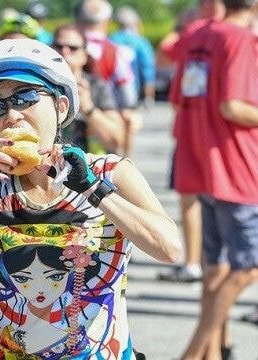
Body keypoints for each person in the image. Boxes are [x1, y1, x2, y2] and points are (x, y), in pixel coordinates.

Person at [0, 38, 180, 358]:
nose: (10, 115)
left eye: (24, 97)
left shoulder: (109, 172)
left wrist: (94, 190)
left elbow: (169, 249)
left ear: (61, 106)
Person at [176, 1, 258, 359]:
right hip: (238, 166)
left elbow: (182, 99)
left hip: (202, 162)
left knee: (217, 267)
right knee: (248, 267)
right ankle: (193, 353)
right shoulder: (239, 38)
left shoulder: (198, 33)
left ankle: (213, 351)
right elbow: (232, 106)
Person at [157, 0, 225, 284]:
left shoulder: (195, 31)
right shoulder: (240, 34)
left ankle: (195, 263)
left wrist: (181, 24)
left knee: (192, 200)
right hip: (227, 134)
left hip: (192, 131)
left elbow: (164, 52)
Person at [75, 0, 141, 157]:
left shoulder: (67, 45)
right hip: (103, 120)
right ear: (106, 22)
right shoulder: (114, 50)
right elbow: (128, 95)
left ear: (78, 20)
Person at [53, 24, 125, 155]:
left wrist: (88, 108)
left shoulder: (98, 87)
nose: (64, 51)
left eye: (73, 48)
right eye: (58, 46)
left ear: (84, 55)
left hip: (88, 167)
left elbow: (116, 141)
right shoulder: (39, 85)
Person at [110, 6, 156, 107]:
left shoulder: (111, 40)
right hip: (133, 91)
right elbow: (147, 70)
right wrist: (149, 97)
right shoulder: (141, 42)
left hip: (111, 92)